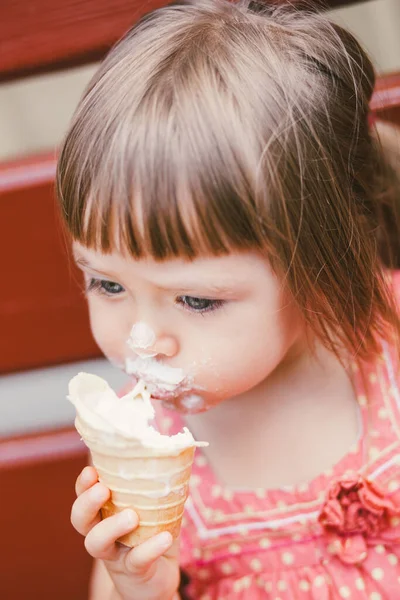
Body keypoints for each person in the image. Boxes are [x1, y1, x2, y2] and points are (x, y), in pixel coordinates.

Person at [56, 1, 400, 598]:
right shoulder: (146, 440)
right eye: (108, 284)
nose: (143, 338)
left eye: (195, 299)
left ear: (321, 261)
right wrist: (138, 586)